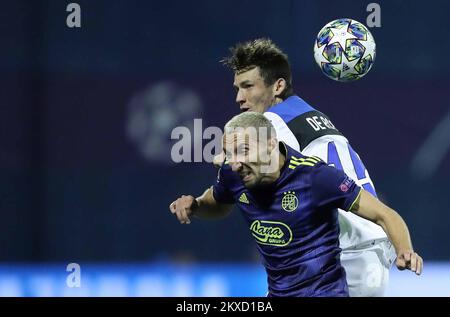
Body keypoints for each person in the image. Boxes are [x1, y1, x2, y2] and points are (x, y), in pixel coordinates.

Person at [169, 112, 422, 297]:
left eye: (244, 150)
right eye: (230, 153)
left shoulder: (316, 177)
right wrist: (196, 205)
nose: (235, 162)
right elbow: (219, 202)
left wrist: (404, 250)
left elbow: (384, 214)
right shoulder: (233, 174)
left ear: (270, 143)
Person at [217, 38, 395, 296]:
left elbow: (234, 164)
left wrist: (222, 158)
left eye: (247, 86)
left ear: (278, 86)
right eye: (237, 88)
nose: (239, 97)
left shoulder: (271, 123)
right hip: (372, 253)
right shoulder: (310, 114)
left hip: (341, 260)